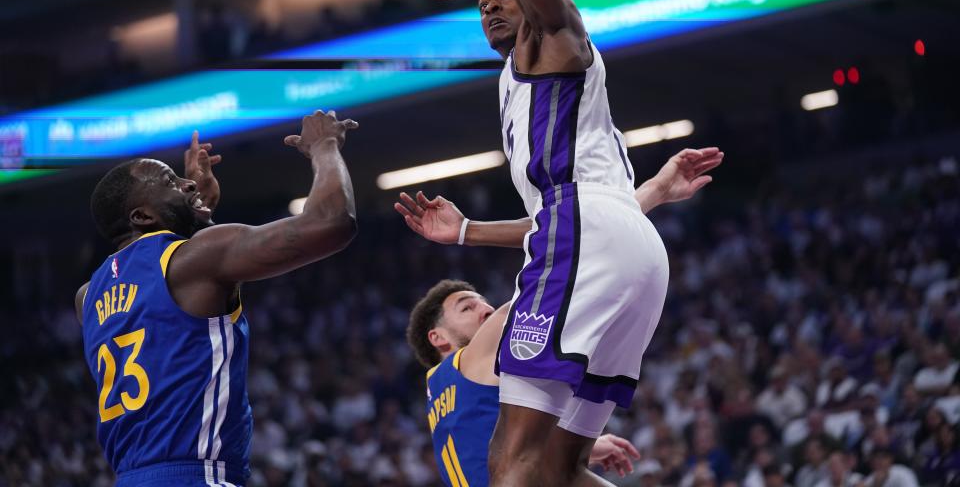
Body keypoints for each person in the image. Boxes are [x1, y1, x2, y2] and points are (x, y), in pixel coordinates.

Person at [398, 148, 724, 486]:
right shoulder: (475, 355)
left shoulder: (441, 393)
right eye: (466, 307)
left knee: (565, 473)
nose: (486, 309)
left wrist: (584, 445)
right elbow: (572, 240)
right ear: (437, 337)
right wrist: (653, 191)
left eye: (481, 302)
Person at [75, 111, 358, 487]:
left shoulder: (87, 297)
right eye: (171, 182)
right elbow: (331, 222)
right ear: (142, 215)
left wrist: (193, 212)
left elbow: (172, 302)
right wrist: (324, 145)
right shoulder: (195, 259)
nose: (188, 184)